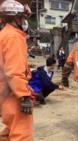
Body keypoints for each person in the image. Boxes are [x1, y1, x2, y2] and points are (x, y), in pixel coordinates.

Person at [0, 0, 34, 140]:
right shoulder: (13, 37)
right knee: (21, 133)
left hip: (5, 91)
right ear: (15, 17)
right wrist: (24, 96)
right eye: (23, 17)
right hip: (13, 94)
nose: (24, 21)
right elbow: (14, 70)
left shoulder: (4, 34)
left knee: (11, 129)